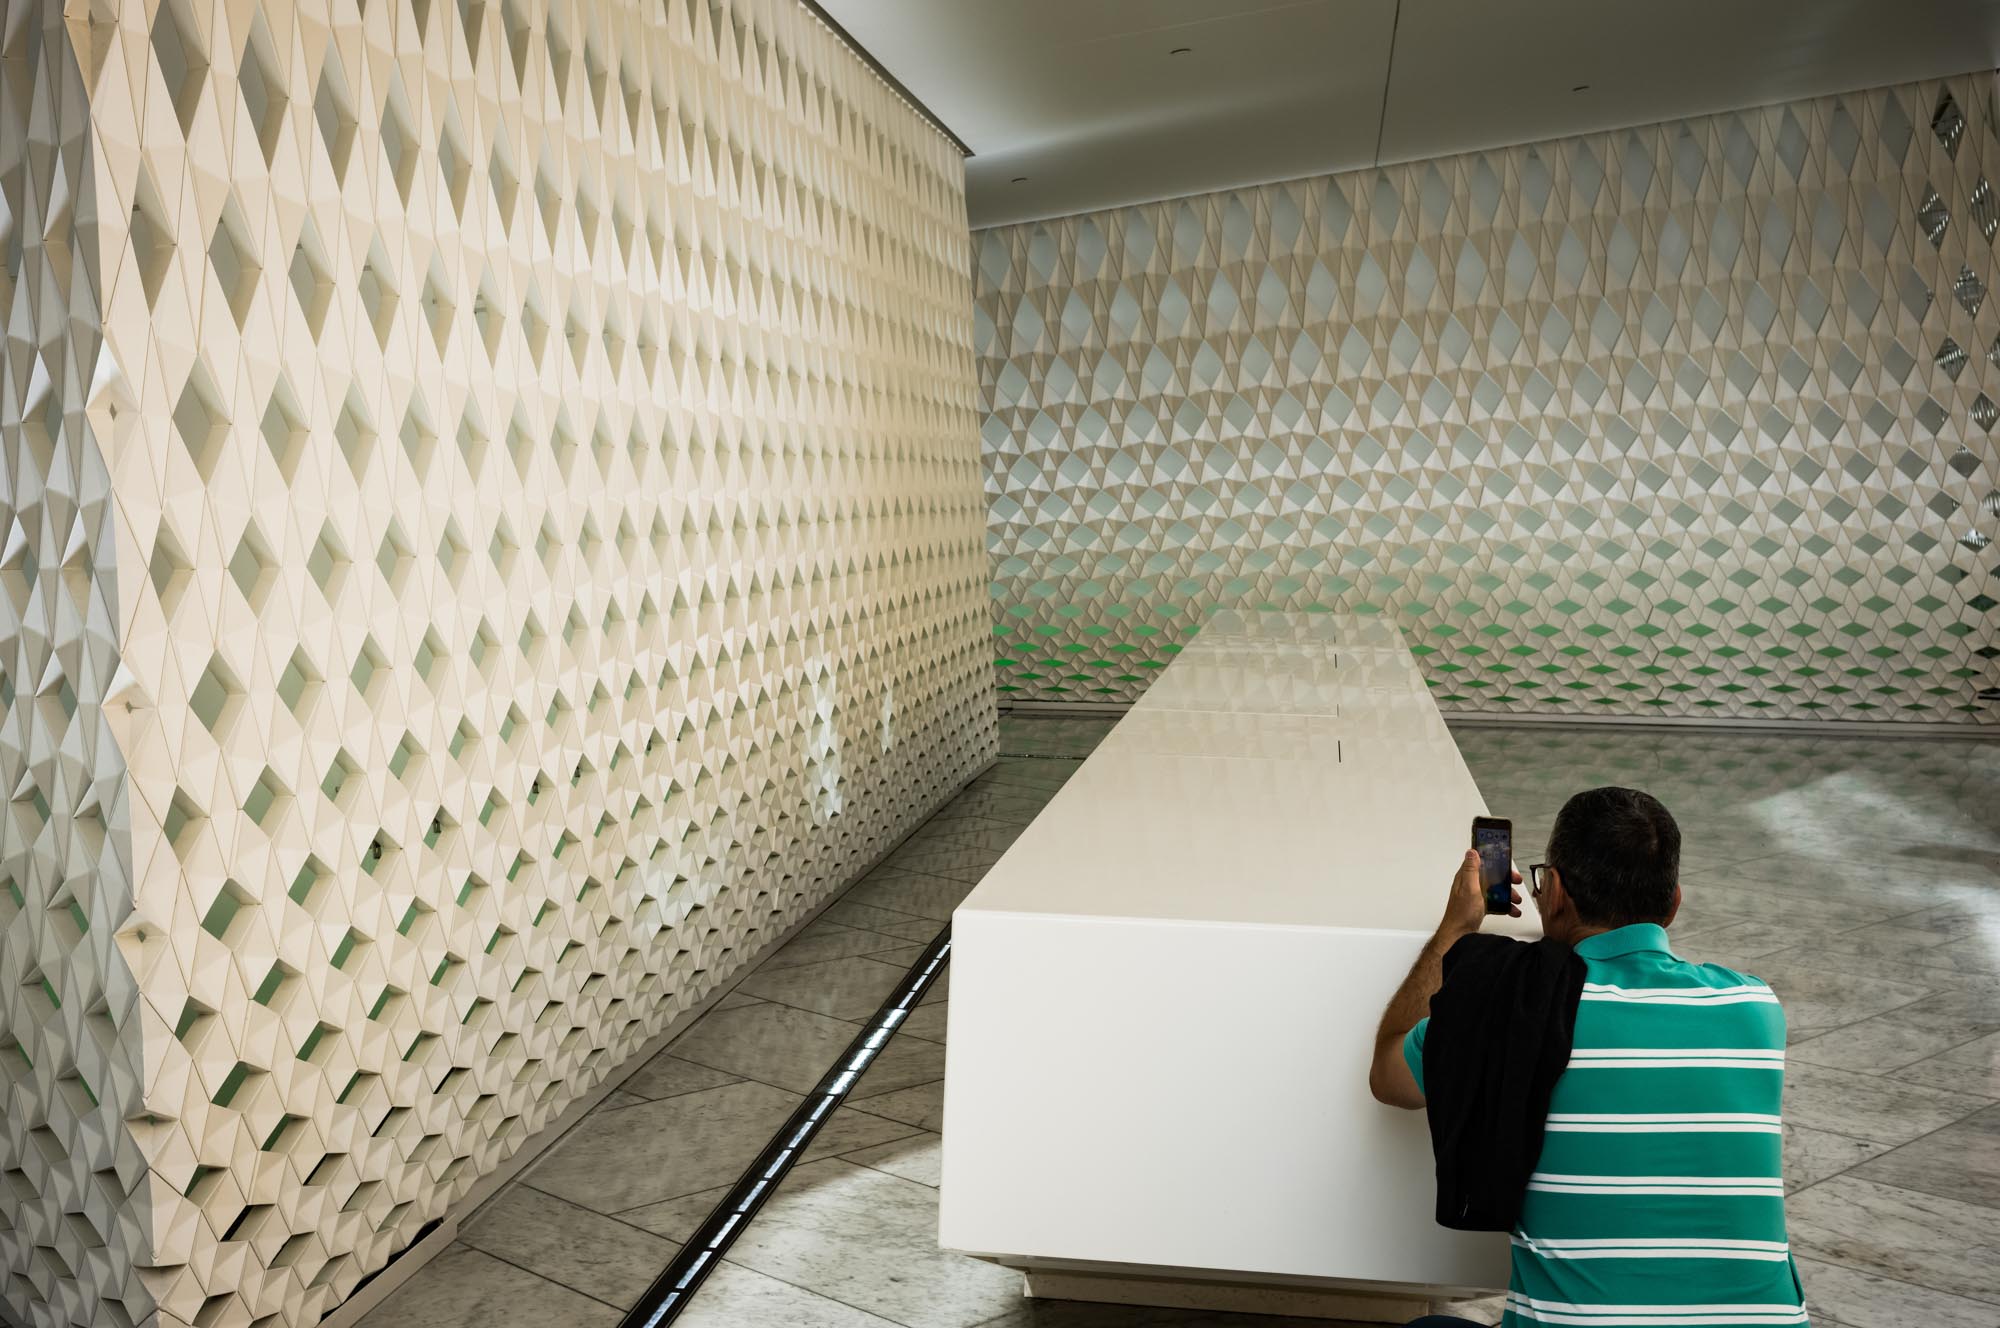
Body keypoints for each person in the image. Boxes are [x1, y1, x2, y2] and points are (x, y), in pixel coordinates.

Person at [1369, 787, 1807, 1328]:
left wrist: (1455, 929)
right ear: (1673, 903)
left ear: (1552, 891)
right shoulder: (1755, 1007)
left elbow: (1389, 1074)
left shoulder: (1517, 1008)